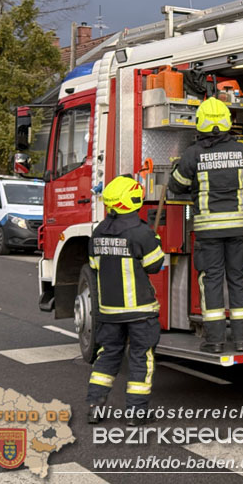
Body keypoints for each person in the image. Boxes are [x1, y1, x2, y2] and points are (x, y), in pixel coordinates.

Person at [168, 97, 243, 353]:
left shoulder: (193, 154)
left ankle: (214, 341)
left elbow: (176, 185)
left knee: (211, 282)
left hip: (208, 232)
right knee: (239, 280)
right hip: (239, 229)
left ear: (200, 123)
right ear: (227, 122)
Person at [86, 176, 165, 425]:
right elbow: (154, 266)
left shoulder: (98, 231)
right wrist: (156, 244)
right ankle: (135, 414)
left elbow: (94, 265)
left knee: (107, 355)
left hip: (109, 311)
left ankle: (95, 408)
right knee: (141, 358)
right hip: (140, 311)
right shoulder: (142, 232)